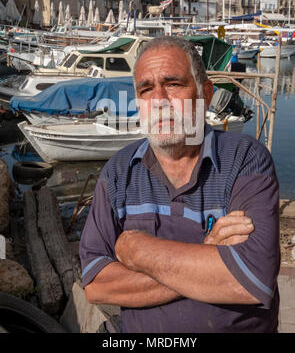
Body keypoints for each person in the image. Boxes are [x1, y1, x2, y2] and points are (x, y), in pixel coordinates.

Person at [80, 36, 280, 333]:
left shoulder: (244, 160)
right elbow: (97, 286)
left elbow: (250, 280)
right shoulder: (118, 172)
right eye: (146, 89)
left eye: (173, 84)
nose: (159, 100)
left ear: (205, 94)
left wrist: (138, 252)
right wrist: (206, 256)